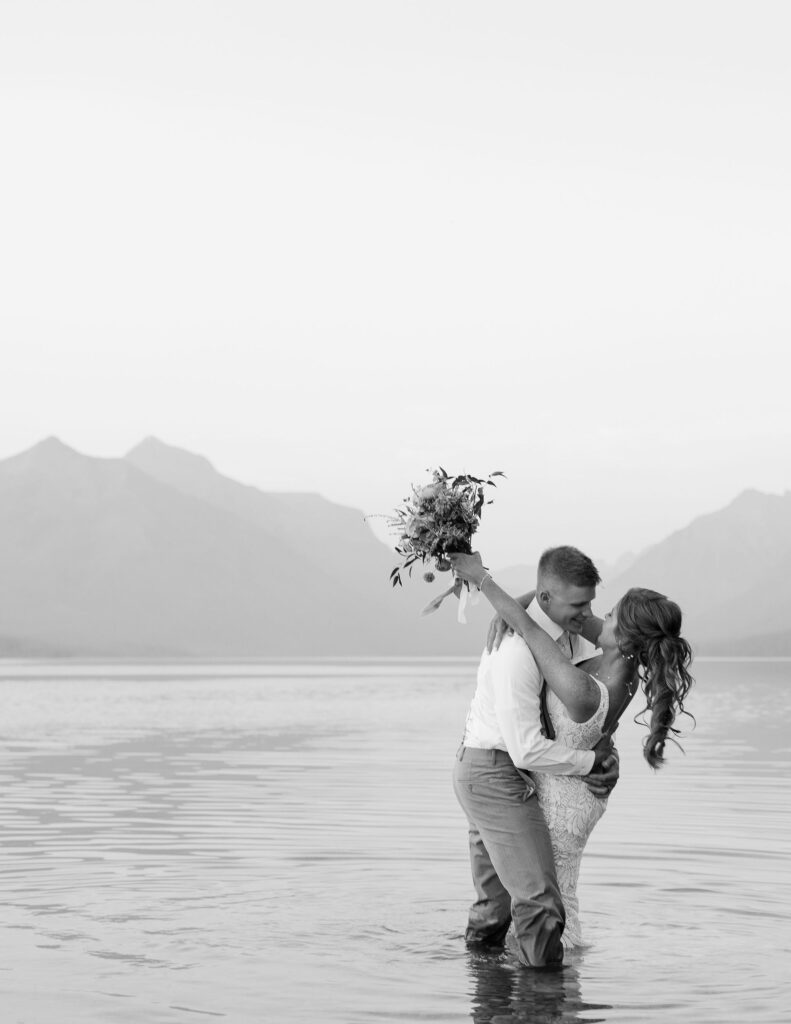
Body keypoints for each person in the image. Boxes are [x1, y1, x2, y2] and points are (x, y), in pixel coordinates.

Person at [449, 546, 694, 951]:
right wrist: (527, 598)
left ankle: (548, 993)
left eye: (609, 614)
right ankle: (516, 984)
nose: (595, 617)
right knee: (521, 901)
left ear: (628, 635)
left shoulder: (585, 691)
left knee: (549, 901)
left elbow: (530, 630)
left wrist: (484, 580)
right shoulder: (621, 657)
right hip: (553, 779)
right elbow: (545, 613)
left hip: (566, 791)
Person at [449, 546, 619, 969]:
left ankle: (489, 992)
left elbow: (613, 650)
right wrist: (590, 764)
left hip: (507, 769)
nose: (588, 614)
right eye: (579, 605)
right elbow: (524, 746)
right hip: (492, 771)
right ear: (547, 600)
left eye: (590, 603)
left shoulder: (569, 631)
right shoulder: (514, 652)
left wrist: (605, 748)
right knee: (542, 903)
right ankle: (540, 1000)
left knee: (495, 910)